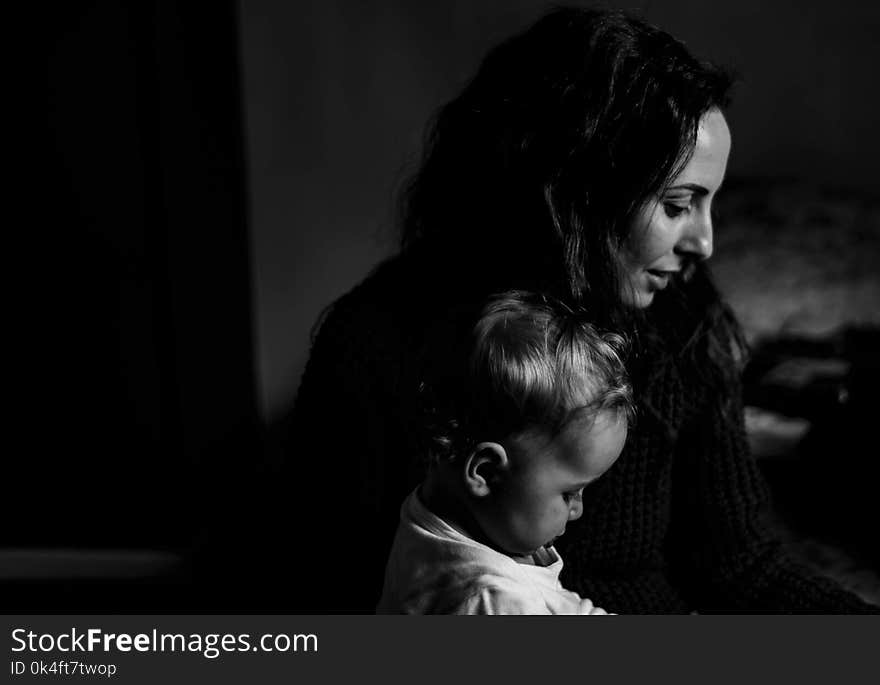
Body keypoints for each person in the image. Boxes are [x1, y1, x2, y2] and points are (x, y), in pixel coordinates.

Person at [289, 7, 877, 612]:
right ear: (582, 191)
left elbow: (741, 561)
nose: (705, 242)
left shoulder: (679, 319)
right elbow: (325, 592)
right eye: (678, 205)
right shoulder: (375, 344)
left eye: (710, 205)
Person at [377, 291, 631, 614]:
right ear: (485, 472)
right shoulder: (495, 599)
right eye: (569, 492)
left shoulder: (430, 518)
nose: (579, 509)